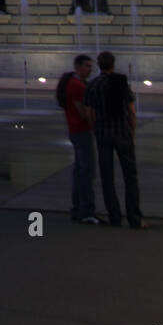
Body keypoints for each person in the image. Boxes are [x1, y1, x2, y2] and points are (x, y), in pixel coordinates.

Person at [85, 50, 144, 229]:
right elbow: (131, 111)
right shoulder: (121, 83)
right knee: (130, 176)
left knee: (107, 177)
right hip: (122, 133)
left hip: (103, 134)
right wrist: (131, 132)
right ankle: (134, 217)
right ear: (113, 64)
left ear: (99, 64)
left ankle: (115, 216)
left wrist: (96, 130)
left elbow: (90, 113)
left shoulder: (93, 85)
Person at [59, 53, 101, 224]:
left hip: (76, 131)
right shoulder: (77, 86)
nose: (90, 69)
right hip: (81, 131)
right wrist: (96, 123)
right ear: (77, 67)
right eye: (86, 66)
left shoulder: (77, 84)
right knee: (87, 171)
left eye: (91, 66)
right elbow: (83, 112)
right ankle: (86, 210)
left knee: (79, 171)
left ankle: (77, 209)